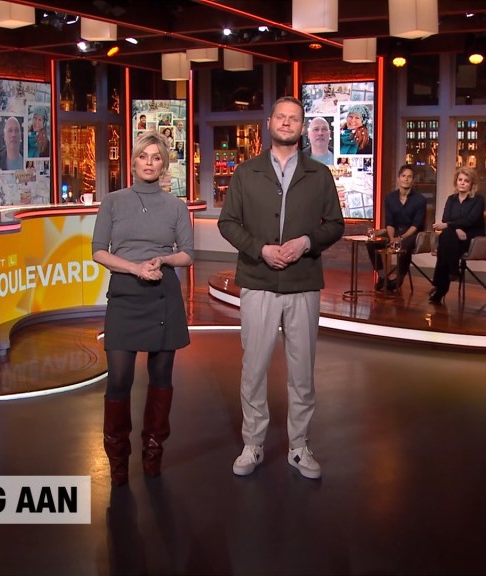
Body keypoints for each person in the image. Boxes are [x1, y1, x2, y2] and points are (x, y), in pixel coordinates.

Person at [217, 96, 345, 480]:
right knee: (254, 370)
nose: (287, 123)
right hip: (258, 282)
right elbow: (228, 223)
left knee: (302, 373)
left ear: (302, 127)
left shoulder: (319, 175)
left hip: (303, 283)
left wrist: (306, 242)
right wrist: (260, 249)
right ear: (269, 122)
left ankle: (299, 447)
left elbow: (335, 225)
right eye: (281, 117)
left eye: (294, 119)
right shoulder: (246, 172)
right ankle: (253, 444)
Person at [91, 131, 194, 487]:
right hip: (125, 294)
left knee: (161, 377)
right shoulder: (113, 202)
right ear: (133, 161)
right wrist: (135, 268)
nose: (149, 163)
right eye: (143, 156)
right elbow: (98, 251)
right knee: (119, 379)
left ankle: (153, 450)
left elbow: (187, 254)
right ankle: (118, 458)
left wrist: (162, 260)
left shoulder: (175, 206)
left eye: (156, 157)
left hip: (163, 294)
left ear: (164, 165)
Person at [366, 164, 427, 290]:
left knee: (404, 245)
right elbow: (389, 222)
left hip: (411, 233)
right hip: (394, 231)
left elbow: (416, 225)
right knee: (371, 243)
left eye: (409, 177)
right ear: (399, 178)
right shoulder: (390, 198)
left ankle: (398, 280)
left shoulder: (420, 199)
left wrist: (401, 238)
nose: (406, 179)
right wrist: (391, 238)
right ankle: (382, 276)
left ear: (413, 180)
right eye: (403, 176)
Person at [429, 167, 485, 304]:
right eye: (460, 180)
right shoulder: (451, 199)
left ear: (472, 184)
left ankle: (440, 286)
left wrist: (451, 226)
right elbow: (445, 218)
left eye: (466, 181)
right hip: (453, 235)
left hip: (470, 236)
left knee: (445, 240)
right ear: (456, 181)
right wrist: (455, 228)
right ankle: (453, 270)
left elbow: (471, 220)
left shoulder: (478, 199)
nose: (462, 183)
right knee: (447, 238)